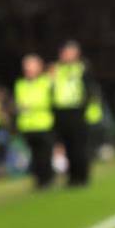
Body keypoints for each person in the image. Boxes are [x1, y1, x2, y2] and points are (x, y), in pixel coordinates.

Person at [52, 40, 91, 186]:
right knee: (67, 147)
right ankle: (72, 176)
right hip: (62, 112)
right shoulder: (56, 69)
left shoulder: (81, 68)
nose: (67, 55)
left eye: (71, 52)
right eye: (65, 52)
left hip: (77, 111)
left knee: (79, 146)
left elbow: (89, 90)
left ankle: (82, 176)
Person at [15, 54, 54, 188]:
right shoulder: (20, 84)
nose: (28, 69)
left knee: (45, 155)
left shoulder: (46, 82)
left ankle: (48, 180)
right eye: (26, 66)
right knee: (35, 155)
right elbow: (19, 103)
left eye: (31, 66)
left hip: (43, 123)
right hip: (27, 125)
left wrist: (29, 105)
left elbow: (46, 101)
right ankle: (38, 180)